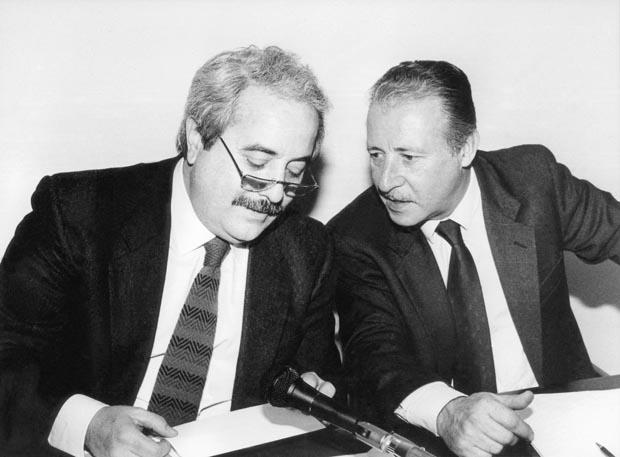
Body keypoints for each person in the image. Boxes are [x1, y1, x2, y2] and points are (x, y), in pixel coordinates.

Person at [0, 45, 341, 457]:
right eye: (256, 164)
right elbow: (8, 354)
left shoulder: (307, 251)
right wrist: (89, 425)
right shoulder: (80, 213)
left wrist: (311, 390)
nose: (274, 195)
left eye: (294, 172)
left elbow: (315, 378)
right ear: (196, 138)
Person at [328, 60, 620, 457]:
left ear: (464, 148)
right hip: (441, 436)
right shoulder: (355, 237)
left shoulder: (534, 181)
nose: (385, 179)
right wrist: (447, 412)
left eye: (408, 157)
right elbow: (375, 354)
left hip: (561, 417)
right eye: (376, 154)